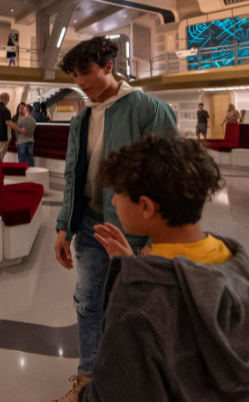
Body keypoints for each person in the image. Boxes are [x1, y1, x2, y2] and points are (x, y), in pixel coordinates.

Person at [82, 135, 249, 401]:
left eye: (118, 193)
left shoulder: (136, 300)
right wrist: (136, 265)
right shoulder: (237, 261)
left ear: (146, 206)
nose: (114, 202)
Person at [53, 36, 176, 402]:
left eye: (86, 72)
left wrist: (157, 239)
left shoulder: (149, 110)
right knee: (88, 303)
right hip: (90, 226)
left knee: (134, 309)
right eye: (75, 76)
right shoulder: (81, 120)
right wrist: (64, 226)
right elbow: (72, 177)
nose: (80, 82)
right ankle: (88, 381)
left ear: (109, 67)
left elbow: (170, 178)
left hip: (134, 231)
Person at [0, 92, 26, 161]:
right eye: (8, 99)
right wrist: (20, 129)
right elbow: (8, 122)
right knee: (0, 155)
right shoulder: (5, 110)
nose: (8, 101)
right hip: (2, 136)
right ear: (4, 98)